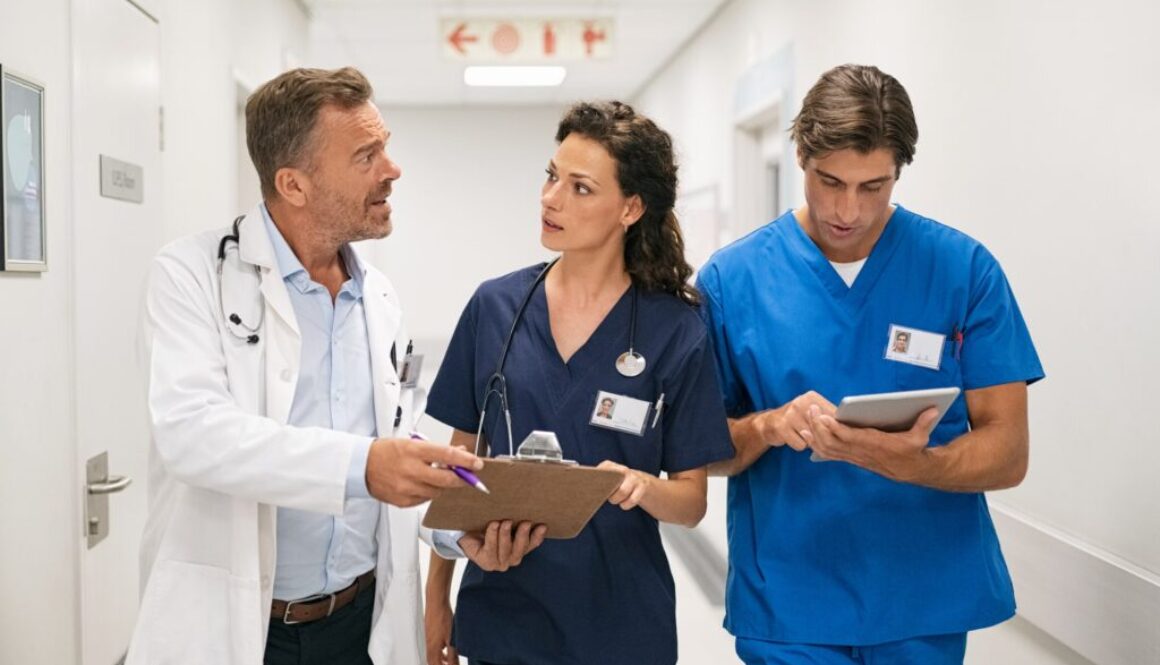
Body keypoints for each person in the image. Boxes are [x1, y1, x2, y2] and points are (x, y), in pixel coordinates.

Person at [126, 67, 531, 665]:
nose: (392, 169)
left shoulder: (378, 297)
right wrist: (363, 466)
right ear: (294, 184)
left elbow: (396, 441)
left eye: (385, 146)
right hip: (241, 626)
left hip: (357, 625)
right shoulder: (189, 276)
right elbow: (192, 434)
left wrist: (456, 524)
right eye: (367, 155)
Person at [698, 64, 1045, 664]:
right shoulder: (733, 281)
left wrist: (916, 463)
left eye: (873, 187)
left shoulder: (962, 271)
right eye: (829, 181)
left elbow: (1008, 451)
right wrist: (766, 426)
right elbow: (700, 450)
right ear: (800, 154)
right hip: (790, 598)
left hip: (921, 596)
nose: (847, 209)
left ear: (898, 173)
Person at [423, 101, 735, 665]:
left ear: (631, 207)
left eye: (581, 188)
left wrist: (640, 486)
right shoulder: (496, 307)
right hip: (503, 614)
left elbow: (691, 502)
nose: (551, 198)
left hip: (620, 626)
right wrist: (435, 596)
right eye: (551, 176)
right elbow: (459, 462)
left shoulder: (675, 328)